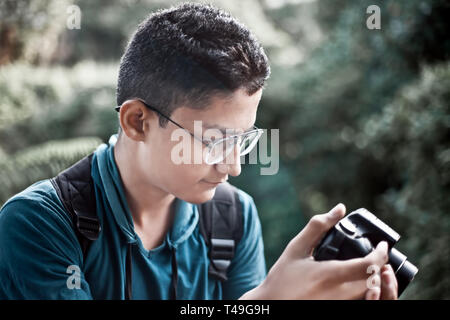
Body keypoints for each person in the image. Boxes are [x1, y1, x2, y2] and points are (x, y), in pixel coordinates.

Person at [0, 2, 397, 300]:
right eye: (213, 140)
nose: (233, 165)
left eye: (242, 140)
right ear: (137, 121)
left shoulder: (232, 218)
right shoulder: (37, 224)